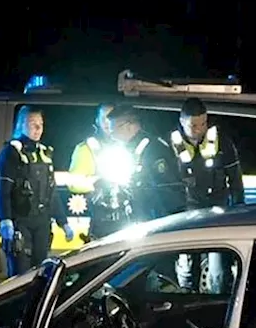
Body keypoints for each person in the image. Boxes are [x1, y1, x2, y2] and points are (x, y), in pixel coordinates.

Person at [169, 97, 244, 293]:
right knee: (187, 266)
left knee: (219, 269)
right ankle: (186, 302)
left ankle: (218, 307)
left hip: (216, 212)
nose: (199, 129)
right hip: (185, 213)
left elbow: (236, 181)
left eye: (203, 123)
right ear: (182, 121)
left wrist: (238, 211)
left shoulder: (222, 142)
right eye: (193, 125)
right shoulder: (169, 143)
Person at [0, 106, 73, 276]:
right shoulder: (11, 153)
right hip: (20, 222)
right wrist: (5, 220)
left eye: (40, 124)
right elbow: (3, 191)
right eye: (32, 124)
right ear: (20, 125)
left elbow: (52, 192)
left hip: (42, 223)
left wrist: (63, 222)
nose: (38, 129)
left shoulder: (45, 153)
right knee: (20, 276)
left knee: (41, 273)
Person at [104, 104, 183, 221]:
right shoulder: (128, 150)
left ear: (127, 126)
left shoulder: (153, 149)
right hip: (140, 218)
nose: (111, 135)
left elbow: (166, 190)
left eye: (113, 130)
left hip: (157, 219)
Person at [68, 102, 115, 186]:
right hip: (96, 197)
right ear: (97, 121)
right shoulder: (86, 148)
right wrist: (96, 181)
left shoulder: (129, 146)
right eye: (104, 117)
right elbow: (74, 185)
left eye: (111, 117)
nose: (107, 121)